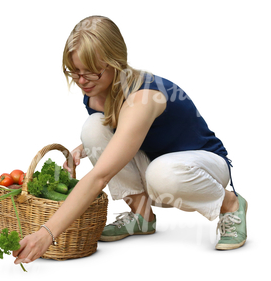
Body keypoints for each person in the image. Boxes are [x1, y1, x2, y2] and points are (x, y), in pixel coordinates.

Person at [13, 16, 248, 264]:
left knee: (161, 174)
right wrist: (86, 148)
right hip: (159, 163)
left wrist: (46, 233)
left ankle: (230, 204)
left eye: (91, 72)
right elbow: (124, 133)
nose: (82, 81)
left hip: (203, 167)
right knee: (93, 128)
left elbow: (100, 176)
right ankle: (142, 216)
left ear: (116, 61)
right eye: (75, 71)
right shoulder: (96, 94)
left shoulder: (142, 98)